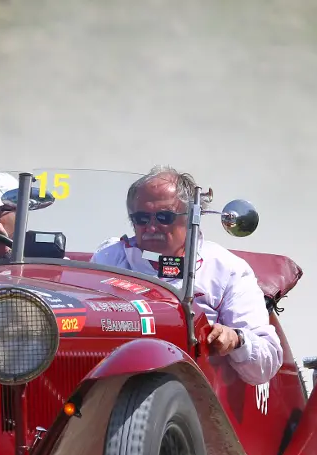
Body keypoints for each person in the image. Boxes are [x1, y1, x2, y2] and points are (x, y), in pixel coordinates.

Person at [91, 165, 283, 386]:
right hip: (111, 384)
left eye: (164, 217)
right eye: (142, 218)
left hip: (196, 398)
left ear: (193, 217)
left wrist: (237, 339)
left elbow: (266, 366)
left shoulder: (226, 269)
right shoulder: (108, 259)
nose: (152, 228)